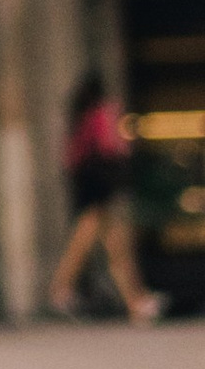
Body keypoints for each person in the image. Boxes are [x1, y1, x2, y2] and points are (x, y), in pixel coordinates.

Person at [48, 65, 163, 321]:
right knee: (92, 238)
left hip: (87, 183)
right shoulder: (104, 112)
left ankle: (136, 301)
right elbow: (112, 146)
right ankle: (61, 289)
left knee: (113, 244)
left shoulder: (80, 115)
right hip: (101, 185)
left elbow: (70, 157)